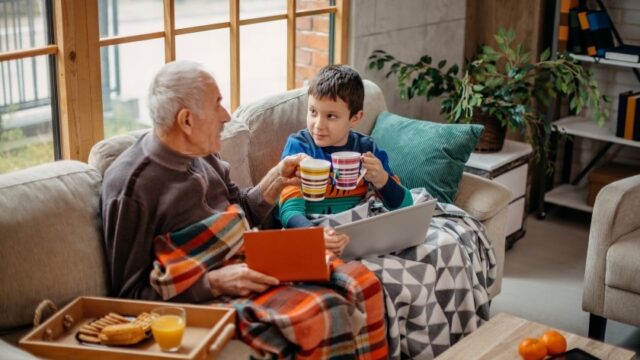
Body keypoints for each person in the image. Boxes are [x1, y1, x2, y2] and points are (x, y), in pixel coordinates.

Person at [101, 60, 306, 302]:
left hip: (248, 265)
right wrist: (214, 284)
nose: (226, 116)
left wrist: (278, 179)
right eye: (217, 104)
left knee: (348, 278)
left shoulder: (203, 151)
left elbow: (241, 211)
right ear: (186, 121)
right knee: (325, 308)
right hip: (213, 300)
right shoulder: (130, 188)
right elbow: (129, 296)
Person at [279, 65, 413, 255]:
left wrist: (381, 179)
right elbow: (289, 211)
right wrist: (313, 236)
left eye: (331, 116)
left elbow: (405, 206)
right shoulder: (299, 147)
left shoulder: (367, 149)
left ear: (355, 117)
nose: (318, 125)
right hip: (311, 232)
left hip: (361, 236)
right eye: (313, 112)